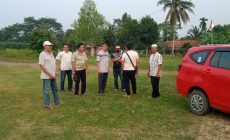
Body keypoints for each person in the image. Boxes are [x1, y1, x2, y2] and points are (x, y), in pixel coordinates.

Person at [39, 41, 60, 110]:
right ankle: (47, 104)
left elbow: (53, 63)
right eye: (49, 45)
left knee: (55, 89)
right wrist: (50, 74)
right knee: (47, 90)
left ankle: (57, 101)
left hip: (52, 76)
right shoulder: (42, 54)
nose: (50, 47)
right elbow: (41, 66)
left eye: (51, 45)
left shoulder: (51, 53)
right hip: (47, 76)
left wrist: (56, 71)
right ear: (44, 46)